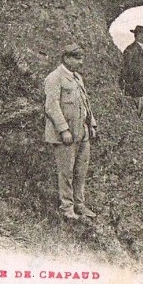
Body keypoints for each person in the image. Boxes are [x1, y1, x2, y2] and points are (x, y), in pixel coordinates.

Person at [43, 43, 98, 220]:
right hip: (65, 136)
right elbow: (51, 106)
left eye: (81, 58)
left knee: (80, 172)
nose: (81, 62)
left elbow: (85, 104)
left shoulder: (77, 78)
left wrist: (92, 125)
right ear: (66, 58)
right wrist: (63, 130)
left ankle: (79, 205)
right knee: (66, 173)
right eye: (77, 58)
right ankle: (67, 209)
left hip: (82, 133)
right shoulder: (54, 78)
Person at [121, 25, 143, 127]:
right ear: (139, 35)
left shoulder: (142, 50)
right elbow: (127, 71)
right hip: (139, 91)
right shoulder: (131, 50)